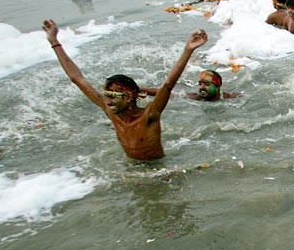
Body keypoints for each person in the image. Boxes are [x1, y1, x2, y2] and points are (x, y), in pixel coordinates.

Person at [42, 18, 206, 161]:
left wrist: (188, 50)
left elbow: (168, 84)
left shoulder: (150, 115)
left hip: (157, 169)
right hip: (133, 168)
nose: (107, 100)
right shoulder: (111, 112)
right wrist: (54, 41)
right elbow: (77, 79)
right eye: (106, 95)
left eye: (113, 96)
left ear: (128, 97)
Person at [141, 70, 240, 101]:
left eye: (207, 84)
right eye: (200, 84)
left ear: (218, 86)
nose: (201, 87)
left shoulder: (231, 97)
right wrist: (138, 89)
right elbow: (165, 93)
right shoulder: (194, 97)